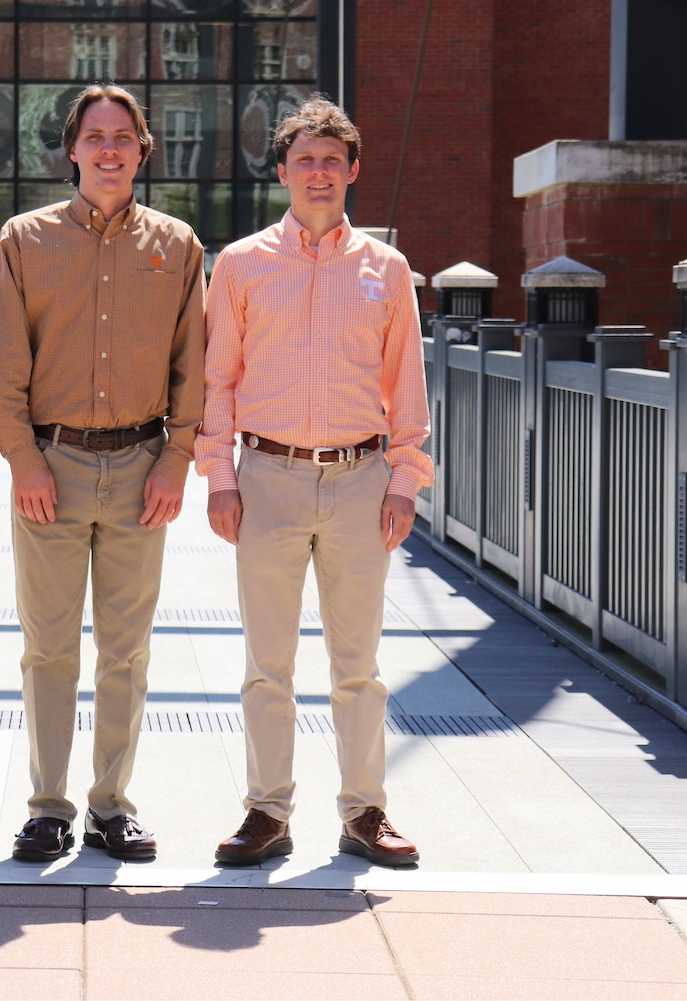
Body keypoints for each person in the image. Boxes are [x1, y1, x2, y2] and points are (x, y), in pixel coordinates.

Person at [195, 94, 433, 868]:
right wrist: (219, 475)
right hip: (267, 477)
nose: (320, 173)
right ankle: (267, 811)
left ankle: (366, 811)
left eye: (333, 160)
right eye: (306, 160)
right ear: (283, 171)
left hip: (363, 479)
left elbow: (407, 384)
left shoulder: (387, 269)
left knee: (357, 664)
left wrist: (406, 478)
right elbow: (217, 378)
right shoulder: (239, 264)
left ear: (353, 170)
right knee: (268, 663)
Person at [0, 84, 205, 863]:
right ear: (72, 148)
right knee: (48, 647)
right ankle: (48, 807)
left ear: (143, 149)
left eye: (123, 136)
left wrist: (176, 460)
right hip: (51, 465)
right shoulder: (22, 238)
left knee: (128, 649)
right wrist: (22, 461)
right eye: (94, 136)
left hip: (143, 466)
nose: (109, 148)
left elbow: (193, 366)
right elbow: (4, 367)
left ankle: (112, 804)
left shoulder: (178, 244)